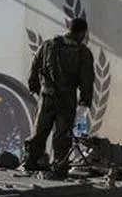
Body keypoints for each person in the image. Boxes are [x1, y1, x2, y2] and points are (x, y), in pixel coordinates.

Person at [22, 17, 94, 177]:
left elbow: (35, 68)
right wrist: (84, 101)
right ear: (82, 33)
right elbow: (87, 80)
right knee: (62, 137)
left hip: (46, 97)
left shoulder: (48, 45)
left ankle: (30, 163)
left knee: (39, 132)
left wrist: (34, 87)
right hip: (66, 100)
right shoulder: (82, 53)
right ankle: (58, 169)